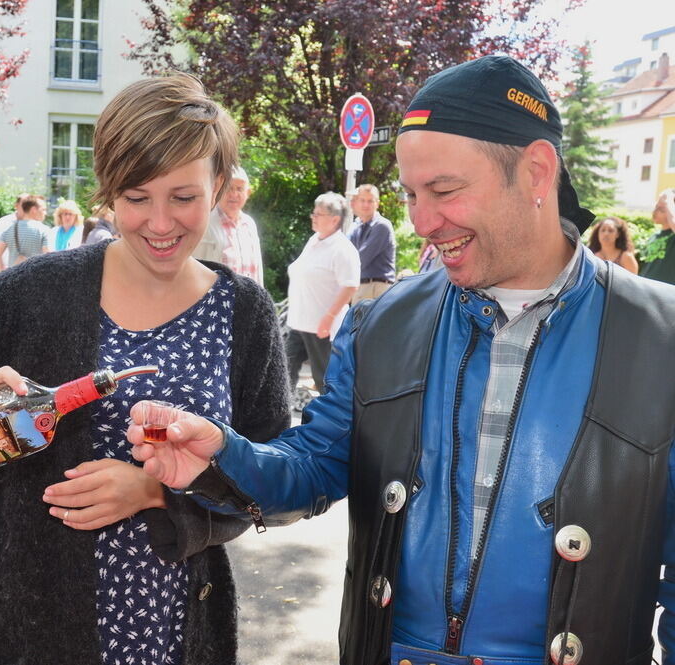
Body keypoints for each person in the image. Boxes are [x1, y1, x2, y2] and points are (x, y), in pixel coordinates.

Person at [129, 55, 675, 665]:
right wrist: (223, 456)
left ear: (536, 172)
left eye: (443, 191)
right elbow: (313, 466)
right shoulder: (381, 322)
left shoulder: (662, 337)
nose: (420, 221)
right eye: (412, 195)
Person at [0, 72, 290, 665]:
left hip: (175, 633)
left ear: (219, 187)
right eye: (136, 198)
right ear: (107, 192)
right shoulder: (36, 291)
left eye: (183, 197)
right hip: (23, 631)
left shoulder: (244, 313)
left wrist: (158, 493)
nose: (161, 223)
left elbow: (274, 479)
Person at [284, 192, 360, 394]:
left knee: (323, 379)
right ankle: (280, 416)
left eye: (319, 214)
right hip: (299, 322)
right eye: (314, 213)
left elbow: (351, 286)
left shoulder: (343, 249)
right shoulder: (314, 240)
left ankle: (330, 422)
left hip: (322, 326)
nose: (313, 217)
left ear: (334, 219)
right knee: (283, 371)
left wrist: (329, 317)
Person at [193, 166, 264, 285]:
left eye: (240, 189)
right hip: (216, 300)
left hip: (249, 301)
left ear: (248, 193)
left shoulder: (249, 224)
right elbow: (194, 267)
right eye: (229, 188)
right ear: (219, 190)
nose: (234, 194)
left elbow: (257, 270)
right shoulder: (205, 222)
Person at [348, 183, 396, 303]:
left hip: (377, 288)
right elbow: (345, 254)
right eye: (362, 200)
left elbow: (360, 259)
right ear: (356, 202)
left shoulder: (382, 226)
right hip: (361, 287)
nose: (366, 204)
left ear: (377, 203)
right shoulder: (356, 226)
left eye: (370, 201)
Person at [0, 195, 50, 271]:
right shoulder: (44, 230)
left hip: (13, 278)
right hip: (35, 277)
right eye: (43, 210)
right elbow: (48, 256)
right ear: (34, 209)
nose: (45, 213)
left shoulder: (10, 229)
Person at [640, 188, 675, 285]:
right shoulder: (654, 236)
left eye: (662, 209)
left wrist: (669, 200)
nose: (655, 211)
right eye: (656, 206)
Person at [0, 193, 29, 272]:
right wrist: (0, 269)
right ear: (16, 205)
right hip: (7, 271)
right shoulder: (4, 222)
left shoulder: (35, 223)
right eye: (24, 204)